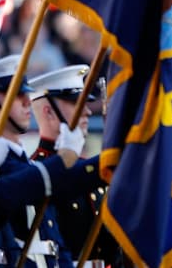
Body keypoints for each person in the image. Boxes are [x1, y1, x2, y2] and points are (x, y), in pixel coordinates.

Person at [0, 55, 103, 268]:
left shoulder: (27, 165)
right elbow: (17, 189)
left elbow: (54, 243)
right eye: (18, 96)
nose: (28, 101)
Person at [29, 64, 115, 264]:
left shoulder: (90, 168)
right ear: (49, 112)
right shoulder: (37, 173)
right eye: (76, 104)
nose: (86, 112)